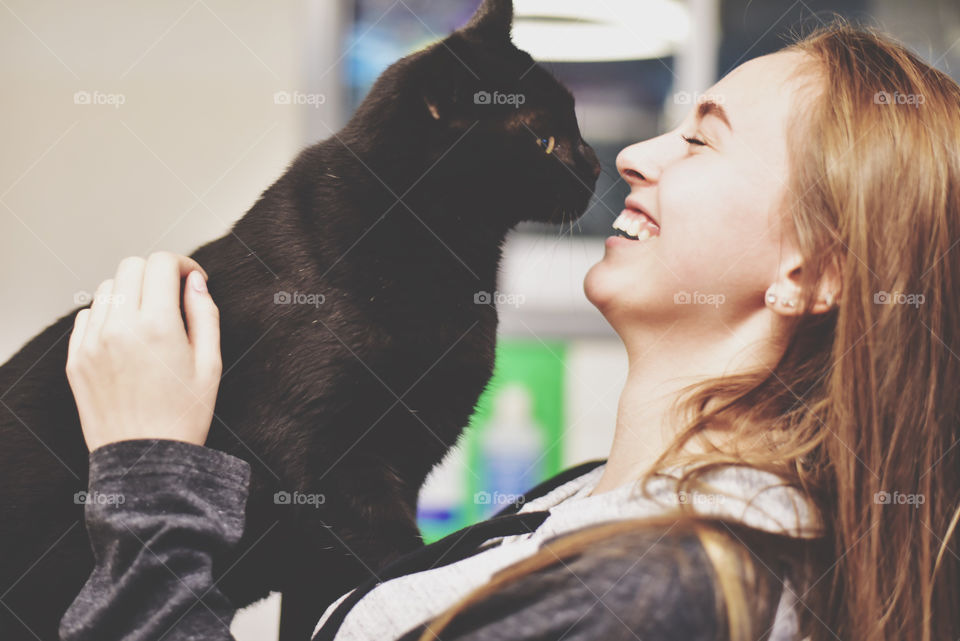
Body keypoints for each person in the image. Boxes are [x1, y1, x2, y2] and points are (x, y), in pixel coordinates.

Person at [58, 21, 959, 641]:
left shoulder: (652, 596)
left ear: (813, 271)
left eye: (703, 141)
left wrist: (149, 476)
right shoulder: (585, 508)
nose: (637, 156)